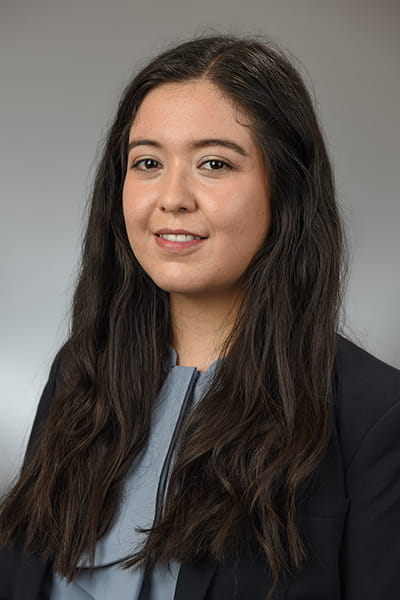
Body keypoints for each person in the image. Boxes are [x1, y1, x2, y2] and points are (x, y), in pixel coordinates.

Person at [0, 34, 399, 600]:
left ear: (286, 188)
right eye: (147, 162)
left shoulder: (374, 414)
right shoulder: (79, 373)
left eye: (214, 163)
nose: (173, 197)